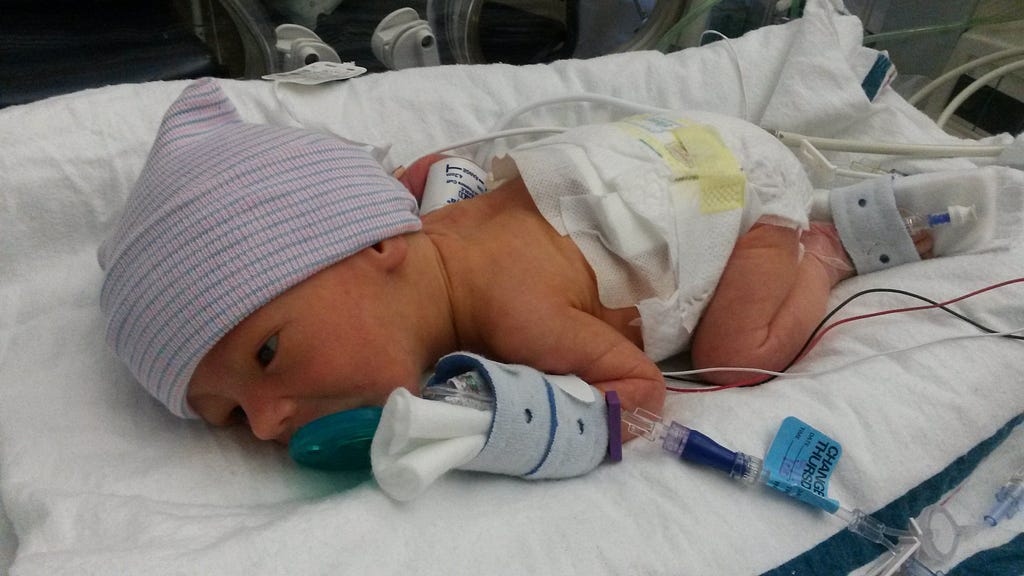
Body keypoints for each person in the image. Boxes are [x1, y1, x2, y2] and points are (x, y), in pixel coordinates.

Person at [98, 78, 933, 445]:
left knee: (733, 357)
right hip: (658, 150)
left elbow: (639, 395)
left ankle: (823, 250)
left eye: (266, 355)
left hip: (733, 189)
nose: (271, 421)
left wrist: (493, 427)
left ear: (379, 243)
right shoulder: (425, 218)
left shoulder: (518, 317)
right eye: (234, 418)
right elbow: (425, 175)